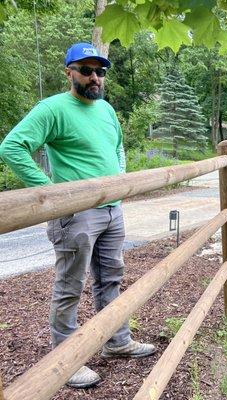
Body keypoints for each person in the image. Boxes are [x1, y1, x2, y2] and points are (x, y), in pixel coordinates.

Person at [0, 42, 155, 389]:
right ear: (69, 72)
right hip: (75, 215)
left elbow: (117, 147)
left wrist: (119, 180)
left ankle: (117, 342)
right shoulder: (53, 108)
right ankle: (66, 361)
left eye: (100, 72)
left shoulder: (107, 111)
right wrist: (54, 195)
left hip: (112, 210)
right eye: (86, 70)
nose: (94, 78)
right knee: (71, 286)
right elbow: (12, 147)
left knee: (111, 277)